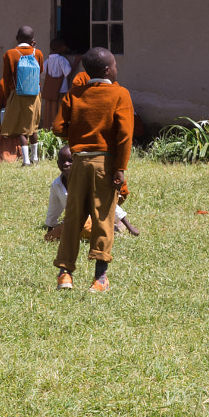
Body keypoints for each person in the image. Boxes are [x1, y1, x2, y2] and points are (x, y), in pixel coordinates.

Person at [50, 48, 135, 293]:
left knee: (73, 217)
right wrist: (120, 168)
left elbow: (58, 127)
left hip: (78, 163)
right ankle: (99, 278)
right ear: (107, 69)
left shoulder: (75, 94)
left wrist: (78, 134)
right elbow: (124, 135)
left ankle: (65, 274)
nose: (117, 69)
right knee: (103, 218)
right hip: (105, 164)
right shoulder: (120, 94)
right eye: (115, 65)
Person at [0, 26, 43, 165]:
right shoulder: (37, 53)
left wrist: (9, 96)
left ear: (16, 38)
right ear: (33, 40)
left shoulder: (10, 54)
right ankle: (36, 158)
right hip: (35, 94)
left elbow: (7, 78)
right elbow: (40, 71)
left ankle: (26, 161)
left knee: (21, 128)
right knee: (33, 126)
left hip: (18, 94)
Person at [40, 39, 72, 132]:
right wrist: (76, 62)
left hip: (50, 91)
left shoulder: (48, 61)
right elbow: (68, 72)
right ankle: (59, 131)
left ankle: (48, 130)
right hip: (61, 90)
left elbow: (42, 74)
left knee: (50, 111)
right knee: (60, 111)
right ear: (60, 48)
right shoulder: (61, 60)